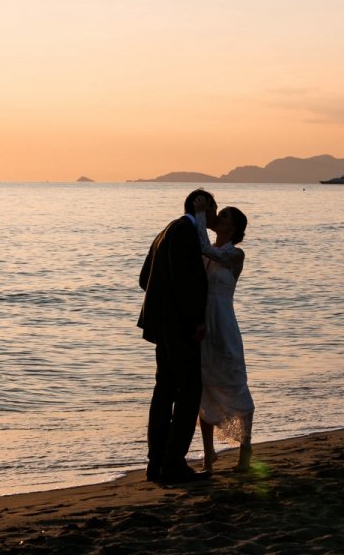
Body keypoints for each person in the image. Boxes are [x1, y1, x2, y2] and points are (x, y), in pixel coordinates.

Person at [138, 189, 217, 483]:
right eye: (212, 208)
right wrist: (195, 320)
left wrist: (162, 304)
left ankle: (156, 463)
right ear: (201, 208)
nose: (214, 215)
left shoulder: (165, 231)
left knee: (164, 391)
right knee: (189, 391)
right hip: (180, 326)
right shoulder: (185, 232)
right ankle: (173, 463)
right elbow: (187, 283)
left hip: (161, 325)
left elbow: (144, 278)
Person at [193, 197, 254, 472]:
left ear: (233, 227)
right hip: (203, 323)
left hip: (224, 323)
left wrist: (198, 215)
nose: (220, 216)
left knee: (234, 383)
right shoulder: (203, 254)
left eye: (225, 215)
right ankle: (208, 455)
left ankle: (246, 450)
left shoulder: (234, 254)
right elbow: (202, 250)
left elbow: (207, 248)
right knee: (203, 387)